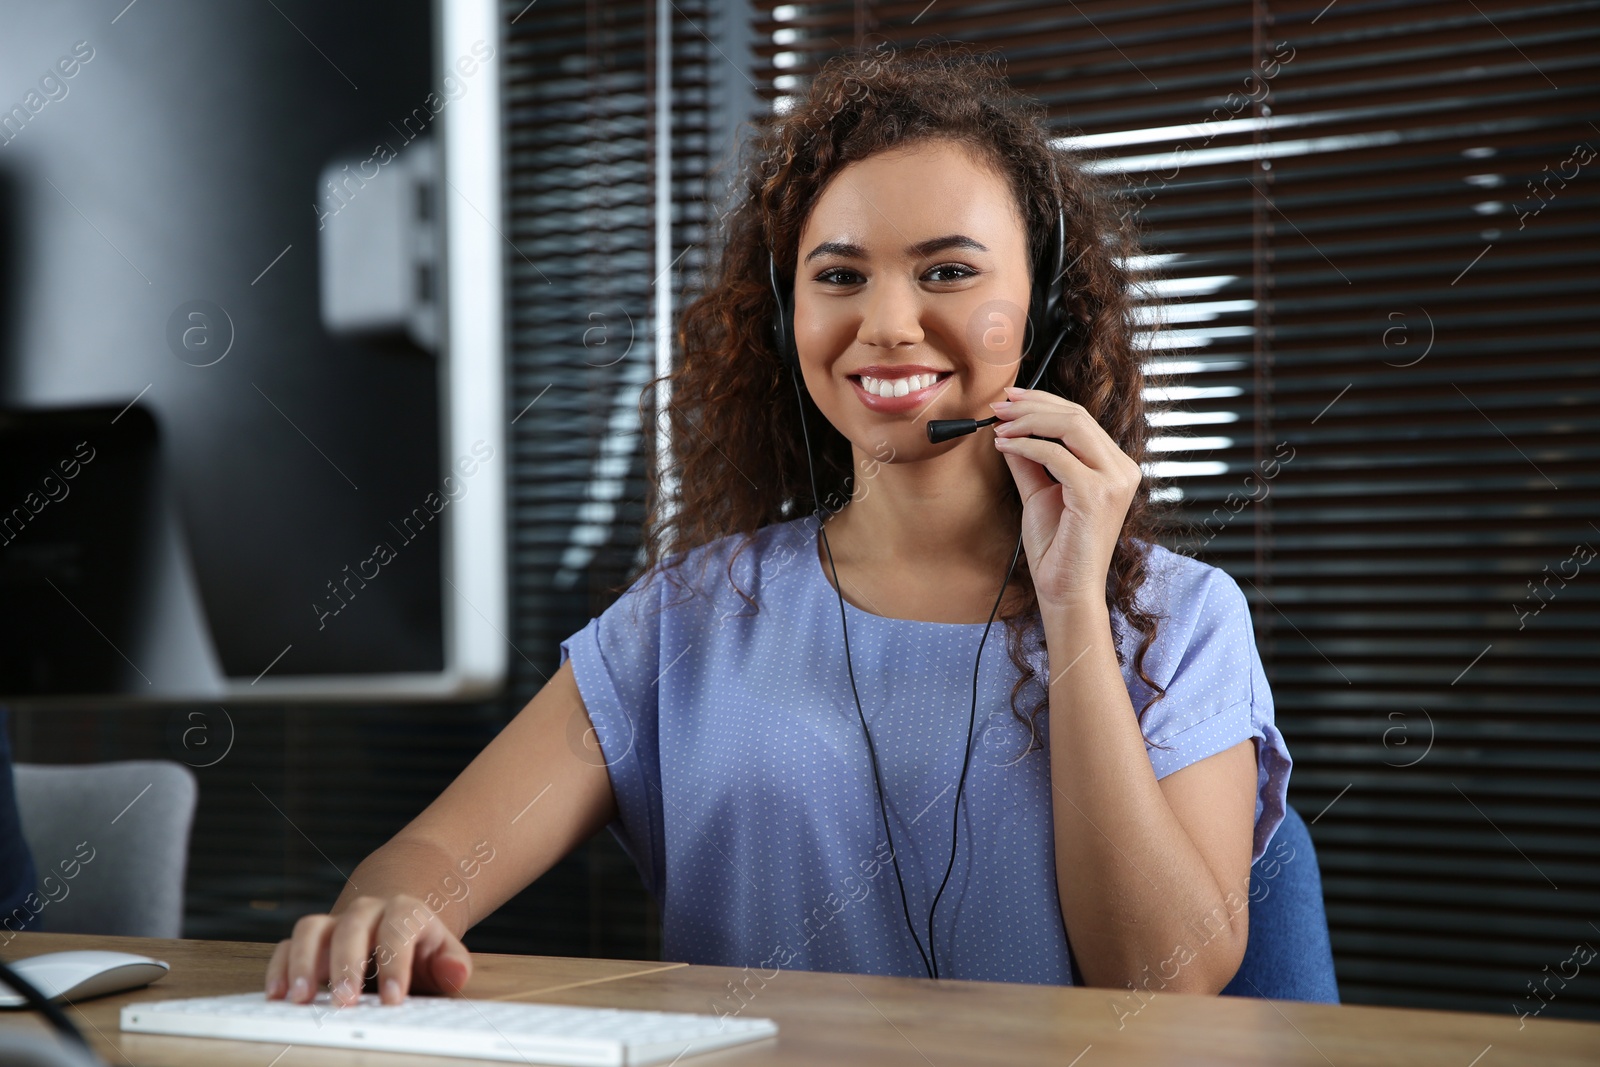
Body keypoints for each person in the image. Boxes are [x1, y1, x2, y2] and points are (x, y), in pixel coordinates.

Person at [266, 42, 1291, 1006]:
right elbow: (434, 858)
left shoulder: (1178, 618)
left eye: (947, 271)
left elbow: (1161, 983)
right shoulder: (691, 617)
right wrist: (385, 912)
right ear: (787, 314)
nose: (886, 323)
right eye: (839, 276)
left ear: (1044, 307)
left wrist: (1071, 606)